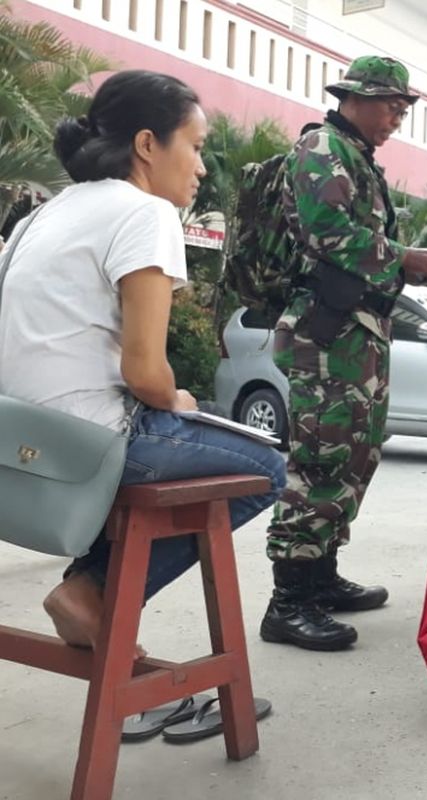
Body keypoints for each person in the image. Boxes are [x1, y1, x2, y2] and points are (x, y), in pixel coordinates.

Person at [0, 70, 286, 653]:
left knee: (194, 422)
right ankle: (92, 593)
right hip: (85, 442)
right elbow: (146, 374)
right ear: (148, 145)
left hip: (13, 435)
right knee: (268, 469)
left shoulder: (42, 215)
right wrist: (173, 399)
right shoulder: (145, 214)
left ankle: (90, 587)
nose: (202, 167)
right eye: (196, 146)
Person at [260, 56, 427, 651]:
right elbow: (329, 236)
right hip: (327, 332)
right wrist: (407, 257)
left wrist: (402, 256)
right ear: (356, 99)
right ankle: (288, 602)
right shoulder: (323, 148)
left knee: (353, 456)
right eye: (391, 107)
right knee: (320, 460)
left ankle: (319, 578)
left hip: (354, 331)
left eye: (403, 110)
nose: (396, 119)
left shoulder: (356, 157)